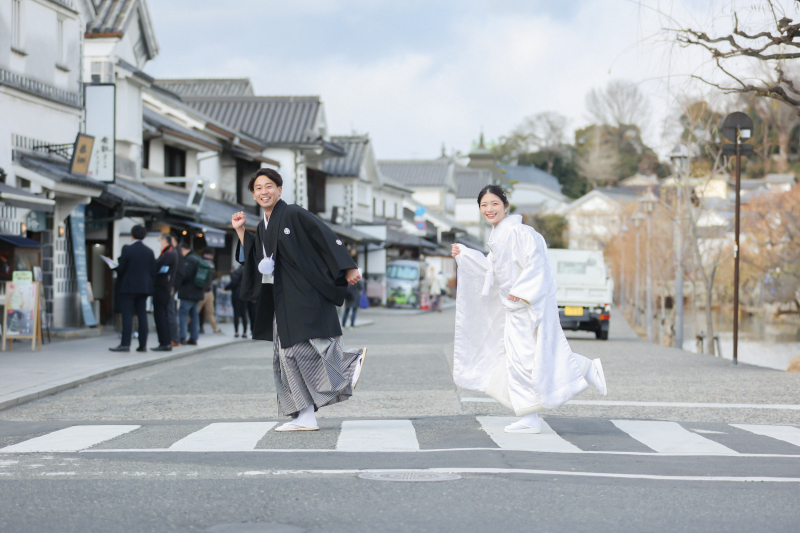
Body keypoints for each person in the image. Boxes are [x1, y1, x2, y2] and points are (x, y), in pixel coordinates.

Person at [451, 185, 607, 434]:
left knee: (527, 359)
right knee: (522, 359)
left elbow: (537, 263)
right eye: (484, 205)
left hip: (525, 305)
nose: (489, 209)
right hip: (514, 307)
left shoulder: (520, 232)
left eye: (494, 203)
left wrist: (523, 291)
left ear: (506, 206)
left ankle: (582, 371)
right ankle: (532, 413)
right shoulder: (498, 236)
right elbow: (490, 270)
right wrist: (466, 255)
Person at [232, 168, 367, 432]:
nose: (264, 192)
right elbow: (256, 257)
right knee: (286, 356)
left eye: (269, 186)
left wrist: (348, 266)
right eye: (258, 188)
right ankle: (305, 415)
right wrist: (240, 231)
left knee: (303, 350)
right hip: (282, 297)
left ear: (279, 189)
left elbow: (324, 235)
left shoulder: (292, 213)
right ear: (253, 195)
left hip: (305, 292)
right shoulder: (262, 226)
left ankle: (347, 365)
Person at [110, 225, 155, 353]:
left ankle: (125, 344)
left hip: (129, 287)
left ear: (132, 235)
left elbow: (121, 269)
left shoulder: (128, 250)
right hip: (144, 287)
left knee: (127, 315)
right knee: (142, 315)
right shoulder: (149, 251)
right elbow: (153, 271)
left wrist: (113, 266)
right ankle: (143, 345)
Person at [152, 233, 178, 351]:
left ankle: (164, 342)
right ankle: (165, 342)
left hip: (162, 287)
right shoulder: (168, 252)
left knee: (161, 315)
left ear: (164, 241)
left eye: (159, 240)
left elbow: (157, 267)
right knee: (163, 314)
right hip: (164, 287)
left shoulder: (169, 253)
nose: (159, 243)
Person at [176, 242, 204, 345]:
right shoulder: (197, 258)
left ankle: (182, 337)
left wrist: (177, 281)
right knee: (194, 315)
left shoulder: (189, 260)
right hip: (197, 292)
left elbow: (185, 275)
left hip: (188, 292)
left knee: (183, 314)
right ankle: (194, 337)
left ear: (183, 249)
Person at [197, 250, 222, 335]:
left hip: (205, 290)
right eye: (210, 255)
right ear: (205, 254)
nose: (212, 257)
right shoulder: (208, 264)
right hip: (207, 291)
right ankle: (215, 328)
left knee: (200, 311)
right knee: (209, 312)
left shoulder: (204, 263)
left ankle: (215, 328)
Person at [225, 265, 248, 338]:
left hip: (237, 294)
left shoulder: (238, 271)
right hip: (245, 294)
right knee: (244, 314)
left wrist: (226, 288)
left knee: (236, 313)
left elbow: (233, 282)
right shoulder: (247, 271)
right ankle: (245, 332)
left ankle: (236, 332)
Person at [167, 235, 181, 347]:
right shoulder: (174, 252)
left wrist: (173, 287)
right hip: (171, 286)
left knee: (171, 313)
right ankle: (173, 338)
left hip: (171, 287)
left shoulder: (176, 253)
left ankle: (175, 339)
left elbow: (180, 273)